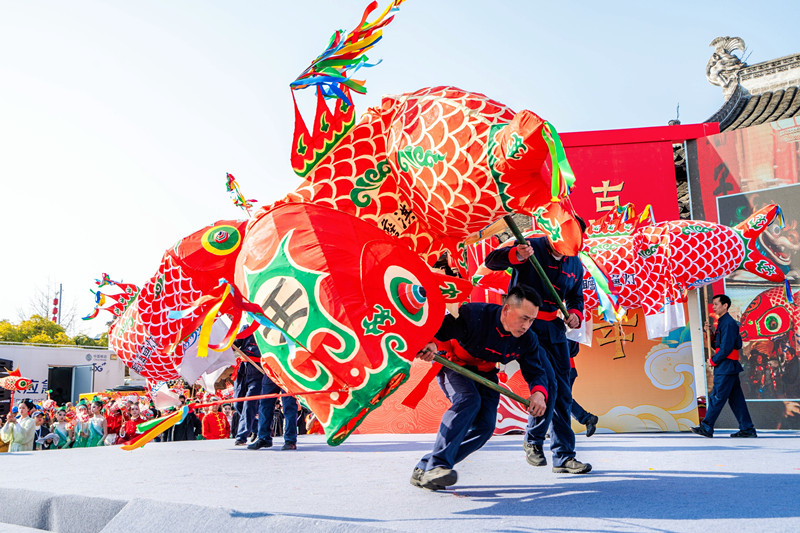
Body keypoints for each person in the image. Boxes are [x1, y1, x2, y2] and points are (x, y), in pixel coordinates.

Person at [412, 285, 550, 490]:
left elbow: (536, 370)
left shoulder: (527, 339)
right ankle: (438, 465)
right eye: (523, 318)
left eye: (531, 320)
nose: (527, 325)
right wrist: (430, 343)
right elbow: (439, 330)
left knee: (484, 428)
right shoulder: (475, 314)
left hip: (486, 375)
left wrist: (538, 393)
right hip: (455, 365)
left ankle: (427, 468)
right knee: (469, 401)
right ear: (506, 310)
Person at [485, 231, 591, 474]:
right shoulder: (530, 245)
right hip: (527, 329)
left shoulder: (575, 260)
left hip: (554, 330)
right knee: (549, 384)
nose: (565, 252)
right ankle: (533, 439)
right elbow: (492, 261)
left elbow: (576, 294)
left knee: (564, 391)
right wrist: (516, 254)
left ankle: (564, 456)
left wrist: (575, 313)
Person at [691, 294, 757, 438]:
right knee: (736, 400)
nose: (714, 306)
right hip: (728, 365)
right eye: (713, 304)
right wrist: (710, 333)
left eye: (716, 304)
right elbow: (718, 345)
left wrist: (714, 360)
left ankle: (707, 427)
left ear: (725, 305)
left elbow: (727, 348)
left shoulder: (728, 323)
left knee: (717, 396)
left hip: (726, 365)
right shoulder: (723, 322)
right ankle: (747, 428)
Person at [247, 374, 299, 451]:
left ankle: (290, 440)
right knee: (265, 404)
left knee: (289, 405)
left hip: (286, 370)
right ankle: (264, 438)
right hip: (270, 370)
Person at [233, 334, 264, 445]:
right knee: (237, 404)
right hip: (243, 371)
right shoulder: (247, 328)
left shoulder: (267, 328)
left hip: (258, 372)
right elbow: (235, 344)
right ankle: (255, 427)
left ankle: (241, 436)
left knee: (249, 404)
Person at [568, 341, 599, 436]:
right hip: (565, 368)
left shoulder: (563, 331)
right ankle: (556, 427)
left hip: (563, 368)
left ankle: (586, 418)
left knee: (560, 398)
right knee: (560, 399)